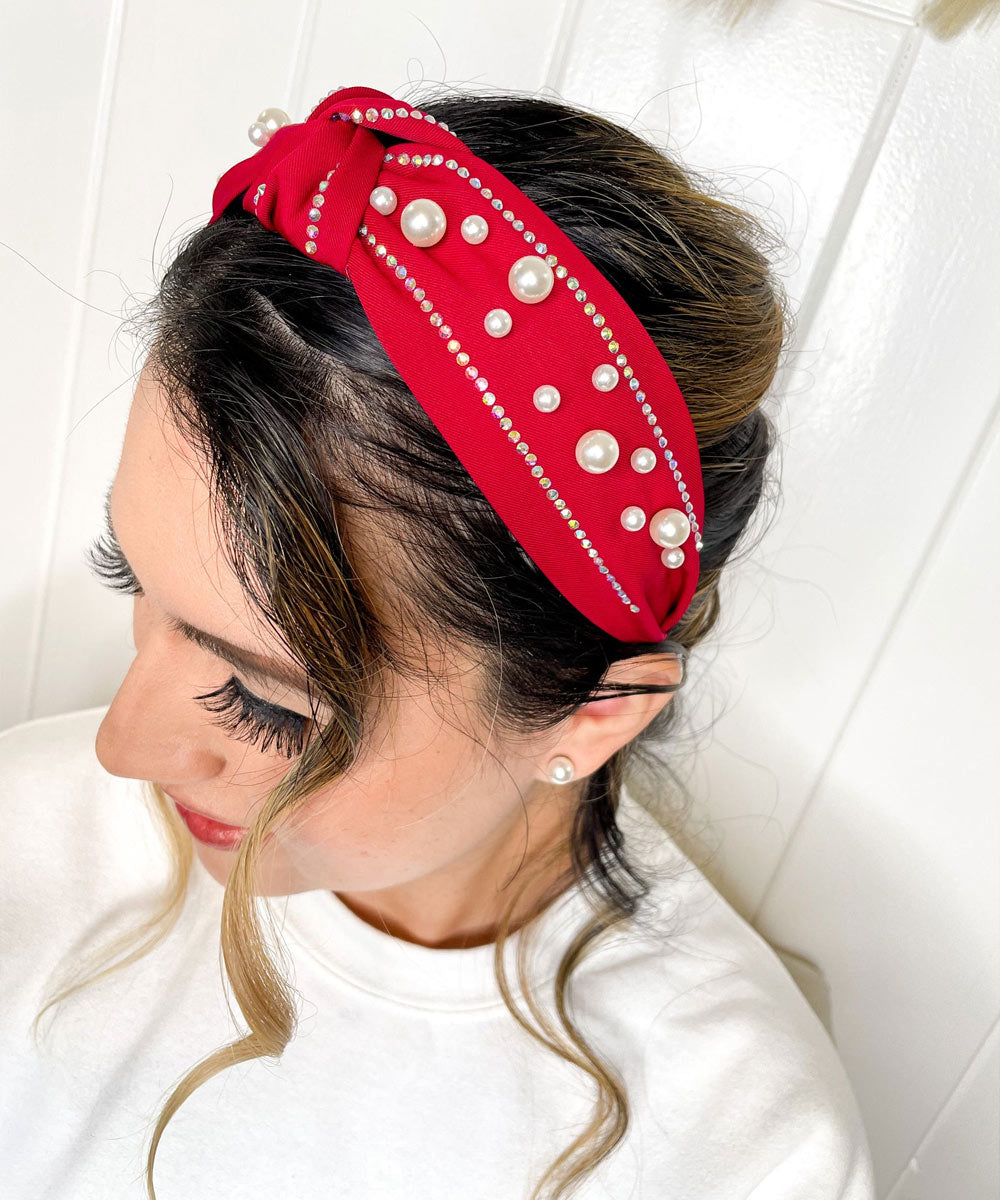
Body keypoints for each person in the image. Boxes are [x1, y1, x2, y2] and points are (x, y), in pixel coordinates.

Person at [0, 85, 877, 1199]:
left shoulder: (744, 1144)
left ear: (594, 715)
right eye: (134, 579)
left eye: (264, 702)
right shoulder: (19, 841)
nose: (120, 746)